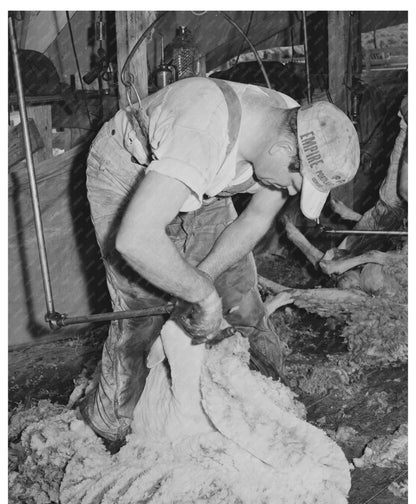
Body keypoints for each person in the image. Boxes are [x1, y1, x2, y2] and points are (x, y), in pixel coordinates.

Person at [80, 76, 360, 441]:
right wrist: (199, 294)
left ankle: (264, 402)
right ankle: (108, 427)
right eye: (297, 183)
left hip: (209, 179)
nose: (292, 192)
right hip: (129, 170)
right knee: (142, 315)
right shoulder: (204, 131)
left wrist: (205, 278)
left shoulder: (292, 124)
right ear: (280, 150)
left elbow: (257, 218)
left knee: (240, 297)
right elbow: (135, 239)